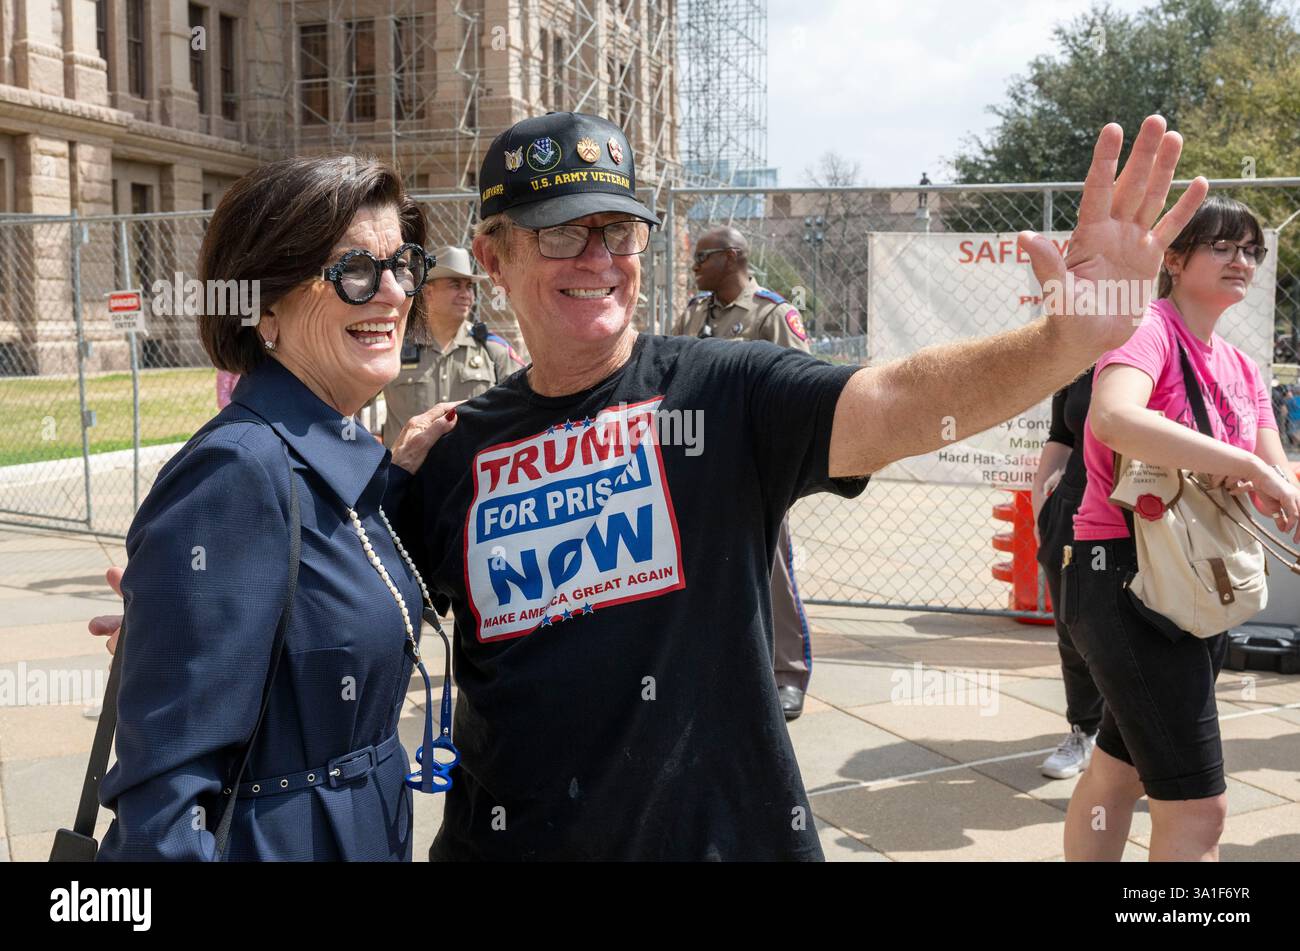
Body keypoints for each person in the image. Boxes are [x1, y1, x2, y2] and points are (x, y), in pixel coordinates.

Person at [97, 111, 1242, 862]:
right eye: (559, 235)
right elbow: (336, 593)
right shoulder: (445, 454)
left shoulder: (726, 393)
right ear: (492, 259)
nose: (598, 257)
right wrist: (189, 613)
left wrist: (1069, 337)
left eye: (618, 229)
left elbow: (898, 403)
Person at [94, 156, 457, 861]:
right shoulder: (236, 471)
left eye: (404, 264)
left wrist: (399, 480)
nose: (390, 293)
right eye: (353, 269)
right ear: (263, 308)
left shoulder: (340, 459)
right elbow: (162, 810)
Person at [1063, 195, 1300, 862]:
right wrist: (1245, 462)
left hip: (1195, 584)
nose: (1241, 260)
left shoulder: (1243, 366)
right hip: (1126, 579)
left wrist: (1273, 483)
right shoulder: (1148, 329)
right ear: (1174, 258)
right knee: (1199, 810)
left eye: (1250, 249)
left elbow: (1273, 472)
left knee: (1120, 768)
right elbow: (1113, 417)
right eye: (1222, 246)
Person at [674, 226, 815, 719]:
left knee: (771, 570)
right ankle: (709, 667)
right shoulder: (695, 312)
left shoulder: (772, 314)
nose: (695, 266)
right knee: (693, 570)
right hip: (693, 463)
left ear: (732, 257)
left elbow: (802, 392)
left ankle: (788, 674)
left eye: (703, 257)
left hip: (753, 467)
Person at [1031, 367, 1105, 778]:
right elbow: (1061, 435)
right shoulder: (1078, 357)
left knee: (1144, 629)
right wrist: (1042, 508)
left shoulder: (1158, 342)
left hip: (1142, 512)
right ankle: (1084, 730)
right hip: (1073, 510)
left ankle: (1135, 738)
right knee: (1073, 628)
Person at [379, 245, 526, 447]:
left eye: (469, 287)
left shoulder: (493, 350)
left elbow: (522, 412)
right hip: (408, 474)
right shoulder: (393, 348)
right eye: (455, 285)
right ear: (428, 293)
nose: (466, 294)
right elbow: (350, 402)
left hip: (473, 473)